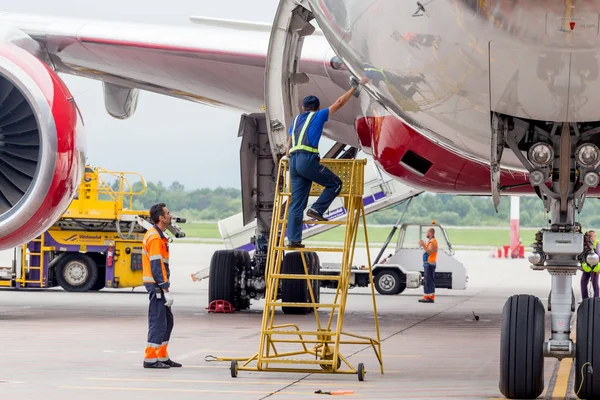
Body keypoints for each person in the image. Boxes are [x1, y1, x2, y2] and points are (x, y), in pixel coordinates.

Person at [286, 76, 368, 248]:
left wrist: (288, 160)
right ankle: (317, 209)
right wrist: (354, 87)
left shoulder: (296, 120)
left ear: (303, 108)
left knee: (296, 203)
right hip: (307, 160)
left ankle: (293, 240)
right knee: (336, 184)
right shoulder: (318, 115)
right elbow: (338, 103)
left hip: (293, 162)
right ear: (317, 108)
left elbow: (288, 144)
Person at [142, 203, 182, 369]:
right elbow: (157, 265)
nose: (170, 216)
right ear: (161, 218)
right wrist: (165, 289)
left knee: (167, 321)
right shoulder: (155, 237)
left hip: (159, 284)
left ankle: (162, 355)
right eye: (167, 213)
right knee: (158, 321)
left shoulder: (159, 235)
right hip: (156, 285)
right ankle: (150, 358)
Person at [418, 228, 438, 303]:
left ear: (430, 232)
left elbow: (429, 252)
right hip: (428, 263)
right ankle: (427, 296)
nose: (426, 234)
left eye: (427, 232)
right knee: (427, 281)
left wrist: (423, 245)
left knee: (428, 281)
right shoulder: (431, 241)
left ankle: (429, 298)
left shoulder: (432, 242)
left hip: (429, 263)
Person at [581, 230, 600, 299]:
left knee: (595, 284)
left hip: (595, 268)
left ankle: (596, 299)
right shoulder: (585, 244)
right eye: (588, 236)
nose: (589, 237)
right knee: (583, 283)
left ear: (594, 236)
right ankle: (585, 299)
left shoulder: (597, 243)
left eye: (591, 236)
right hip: (587, 267)